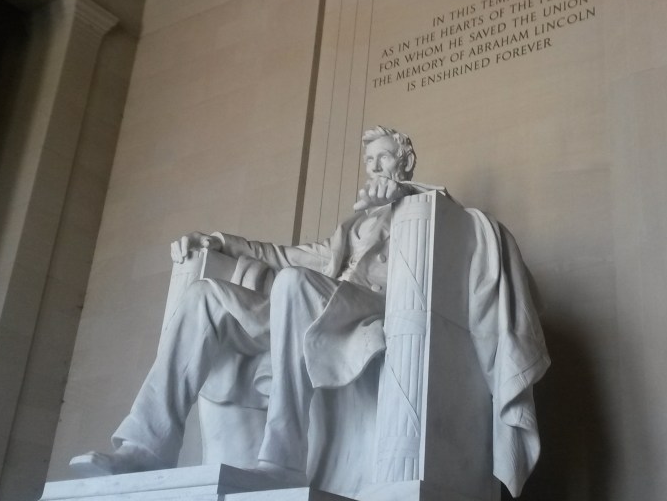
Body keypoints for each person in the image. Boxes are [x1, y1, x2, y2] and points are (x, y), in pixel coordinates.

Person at [71, 125, 424, 486]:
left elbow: (444, 217)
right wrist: (220, 242)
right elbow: (288, 255)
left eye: (384, 156)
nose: (375, 166)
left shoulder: (428, 208)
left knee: (292, 284)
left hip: (365, 309)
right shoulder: (353, 224)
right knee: (204, 295)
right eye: (369, 159)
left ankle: (282, 460)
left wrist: (406, 195)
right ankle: (148, 446)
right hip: (310, 303)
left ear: (406, 160)